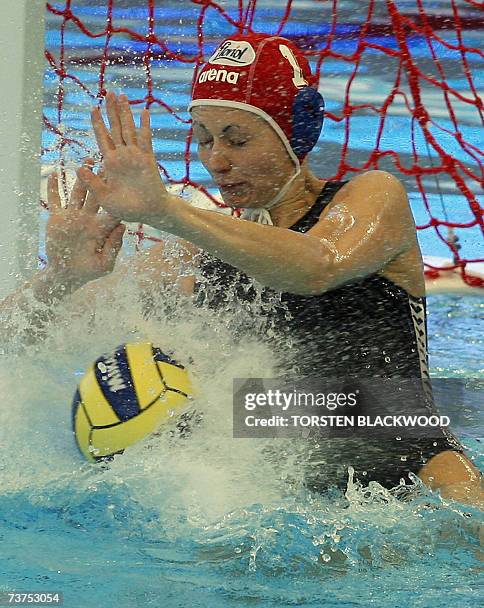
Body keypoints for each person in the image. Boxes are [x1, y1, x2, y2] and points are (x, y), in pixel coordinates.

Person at [1, 33, 481, 506]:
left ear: (299, 130)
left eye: (238, 139)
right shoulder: (199, 257)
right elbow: (19, 337)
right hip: (293, 504)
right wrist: (61, 278)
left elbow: (316, 265)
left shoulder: (372, 197)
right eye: (205, 139)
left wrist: (166, 211)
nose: (217, 159)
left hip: (424, 485)